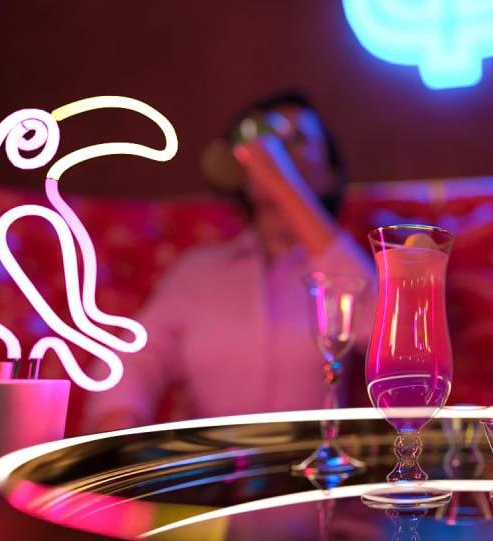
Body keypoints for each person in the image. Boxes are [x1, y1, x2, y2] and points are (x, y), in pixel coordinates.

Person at [83, 91, 375, 432]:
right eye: (264, 137)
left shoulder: (344, 266)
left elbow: (381, 326)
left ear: (329, 173)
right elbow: (136, 358)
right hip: (215, 460)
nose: (274, 150)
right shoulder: (199, 271)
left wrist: (281, 181)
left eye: (296, 139)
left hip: (314, 458)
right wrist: (119, 424)